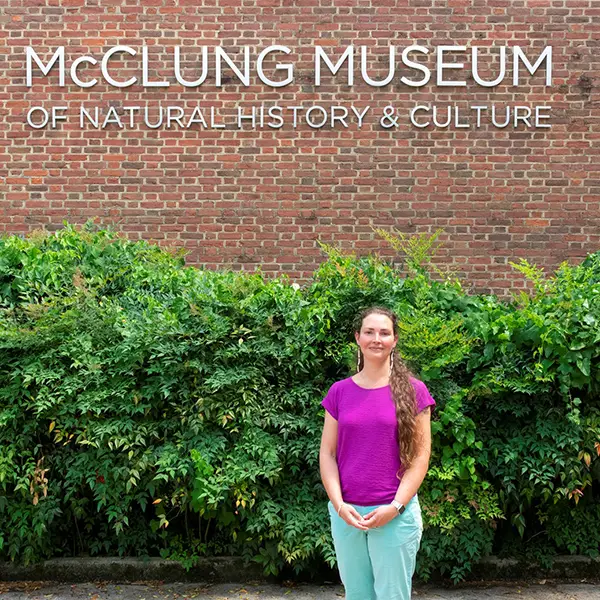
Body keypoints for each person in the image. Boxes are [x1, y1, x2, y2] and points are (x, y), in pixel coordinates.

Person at [319, 306, 436, 600]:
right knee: (357, 596)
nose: (376, 338)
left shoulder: (414, 391)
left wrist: (395, 507)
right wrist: (339, 505)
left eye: (384, 332)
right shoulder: (340, 392)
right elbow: (328, 454)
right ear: (358, 338)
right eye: (369, 332)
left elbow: (421, 458)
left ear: (394, 340)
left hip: (394, 515)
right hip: (348, 516)